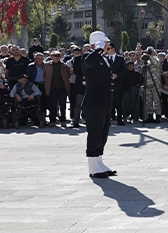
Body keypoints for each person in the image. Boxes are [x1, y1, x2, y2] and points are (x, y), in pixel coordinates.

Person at [81, 31, 118, 179]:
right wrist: (98, 48)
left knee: (102, 135)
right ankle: (93, 167)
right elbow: (89, 62)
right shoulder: (89, 57)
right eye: (105, 43)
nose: (108, 45)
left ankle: (99, 163)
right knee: (95, 134)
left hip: (104, 102)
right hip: (94, 102)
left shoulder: (103, 59)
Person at [43, 51, 72, 127]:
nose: (57, 57)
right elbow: (44, 75)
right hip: (52, 88)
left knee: (63, 105)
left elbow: (68, 75)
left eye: (58, 56)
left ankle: (63, 120)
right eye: (55, 56)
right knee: (52, 105)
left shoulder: (64, 66)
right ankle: (52, 121)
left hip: (62, 88)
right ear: (51, 57)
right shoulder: (47, 65)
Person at [140, 49, 163, 123]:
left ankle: (158, 116)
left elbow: (157, 64)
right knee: (148, 101)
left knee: (156, 100)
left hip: (155, 83)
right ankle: (149, 115)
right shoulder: (146, 62)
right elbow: (142, 70)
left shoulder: (155, 59)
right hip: (147, 83)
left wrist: (150, 57)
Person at [66, 46, 87, 128]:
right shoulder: (74, 61)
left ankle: (86, 119)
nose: (77, 54)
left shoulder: (85, 60)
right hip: (77, 85)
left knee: (86, 104)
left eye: (78, 53)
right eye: (75, 53)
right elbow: (76, 71)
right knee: (77, 104)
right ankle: (75, 120)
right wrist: (82, 76)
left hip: (87, 85)